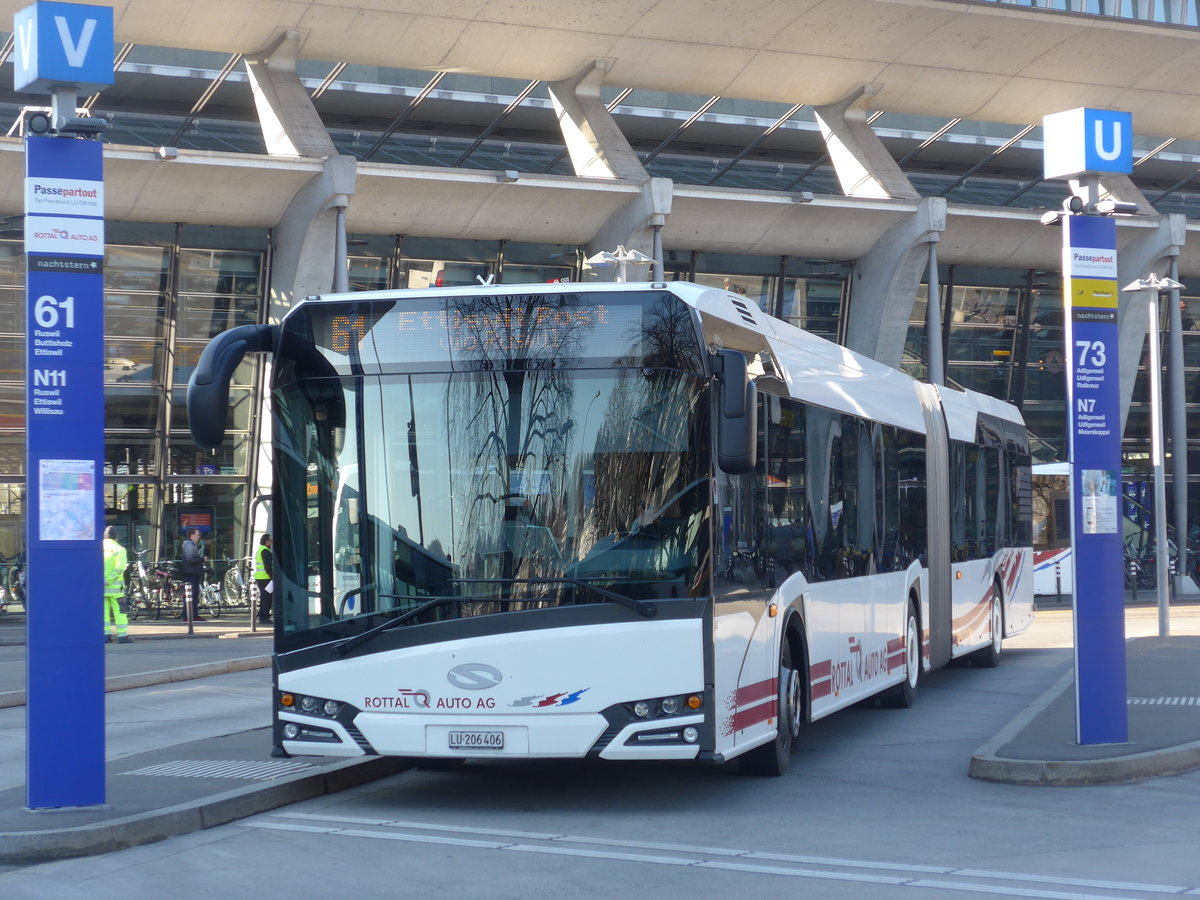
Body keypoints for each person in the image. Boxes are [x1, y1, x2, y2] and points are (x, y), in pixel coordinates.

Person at [102, 526, 132, 643]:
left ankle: (105, 635)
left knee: (103, 613)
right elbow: (119, 568)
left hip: (101, 588)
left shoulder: (97, 548)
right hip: (116, 589)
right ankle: (122, 636)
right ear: (116, 537)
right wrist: (109, 579)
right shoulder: (119, 549)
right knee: (120, 612)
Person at [179, 527, 206, 621]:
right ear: (192, 535)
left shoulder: (191, 544)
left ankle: (193, 615)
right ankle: (188, 616)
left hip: (193, 572)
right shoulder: (189, 545)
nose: (199, 536)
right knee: (191, 595)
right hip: (191, 573)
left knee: (193, 595)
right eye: (197, 534)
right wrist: (202, 559)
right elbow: (189, 559)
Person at [254, 533, 274, 623]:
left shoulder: (260, 549)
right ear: (266, 541)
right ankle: (264, 617)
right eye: (270, 540)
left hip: (261, 577)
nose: (271, 542)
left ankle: (263, 616)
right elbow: (267, 566)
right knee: (267, 598)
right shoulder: (265, 551)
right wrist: (272, 576)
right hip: (265, 578)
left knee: (264, 598)